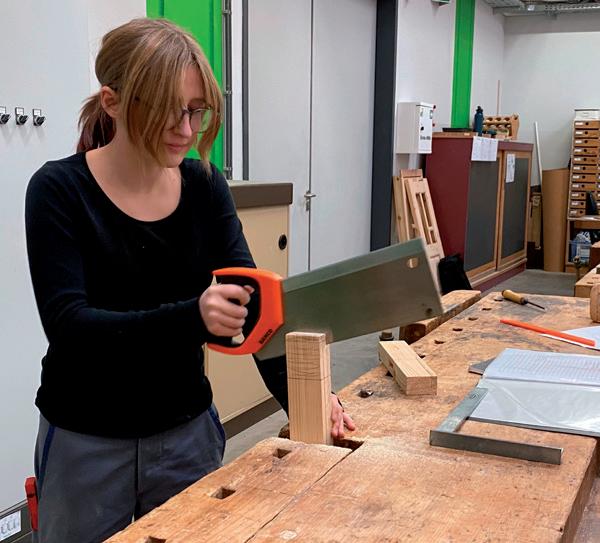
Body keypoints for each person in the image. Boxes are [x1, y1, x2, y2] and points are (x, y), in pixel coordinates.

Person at [25, 17, 355, 543]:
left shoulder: (204, 185)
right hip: (85, 440)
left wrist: (309, 398)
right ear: (112, 101)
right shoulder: (58, 190)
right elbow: (70, 327)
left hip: (185, 436)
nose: (185, 129)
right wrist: (194, 316)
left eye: (196, 110)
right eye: (167, 110)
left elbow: (256, 307)